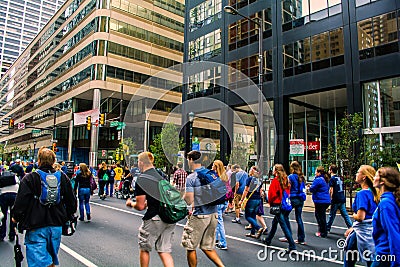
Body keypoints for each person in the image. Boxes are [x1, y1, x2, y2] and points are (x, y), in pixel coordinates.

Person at [12, 147, 77, 267]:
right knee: (51, 259)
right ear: (53, 161)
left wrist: (16, 217)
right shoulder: (62, 177)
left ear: (39, 161)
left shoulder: (30, 178)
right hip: (56, 225)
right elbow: (72, 201)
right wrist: (68, 215)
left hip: (36, 224)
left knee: (39, 262)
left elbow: (21, 202)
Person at [126, 152, 175, 267]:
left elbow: (140, 206)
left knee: (145, 248)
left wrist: (130, 204)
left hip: (154, 218)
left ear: (141, 162)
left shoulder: (142, 179)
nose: (138, 164)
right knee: (164, 250)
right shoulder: (162, 175)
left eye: (138, 162)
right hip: (169, 216)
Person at [181, 150, 224, 267]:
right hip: (214, 214)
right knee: (207, 247)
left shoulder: (191, 177)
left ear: (191, 160)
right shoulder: (211, 173)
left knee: (190, 246)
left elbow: (189, 199)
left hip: (200, 215)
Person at [344, 165, 379, 267]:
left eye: (358, 172)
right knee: (371, 257)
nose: (356, 174)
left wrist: (353, 214)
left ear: (364, 177)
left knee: (349, 259)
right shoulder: (375, 193)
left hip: (361, 232)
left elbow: (360, 217)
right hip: (372, 230)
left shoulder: (362, 194)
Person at [262, 164, 296, 252]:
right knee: (275, 223)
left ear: (276, 171)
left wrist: (268, 200)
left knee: (283, 225)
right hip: (285, 204)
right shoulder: (286, 179)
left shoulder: (275, 181)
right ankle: (268, 239)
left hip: (277, 204)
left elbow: (272, 195)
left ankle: (292, 245)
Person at [372, 167, 400, 267]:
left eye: (375, 176)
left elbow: (393, 233)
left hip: (385, 255)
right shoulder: (392, 200)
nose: (373, 178)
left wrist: (396, 263)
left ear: (383, 181)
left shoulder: (386, 204)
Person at [280, 161, 306, 244]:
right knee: (299, 218)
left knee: (285, 215)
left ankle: (288, 235)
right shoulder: (301, 177)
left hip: (293, 198)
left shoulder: (291, 177)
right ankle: (301, 238)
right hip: (300, 199)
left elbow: (288, 187)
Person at [239, 166, 265, 239]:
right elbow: (261, 191)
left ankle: (258, 227)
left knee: (248, 216)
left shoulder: (250, 179)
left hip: (251, 199)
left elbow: (246, 190)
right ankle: (252, 232)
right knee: (253, 215)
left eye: (251, 170)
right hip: (258, 199)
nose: (250, 171)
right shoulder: (260, 179)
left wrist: (241, 200)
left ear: (254, 171)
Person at [326, 164, 352, 233]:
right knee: (345, 214)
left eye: (329, 169)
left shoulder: (332, 179)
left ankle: (327, 228)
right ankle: (351, 227)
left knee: (332, 215)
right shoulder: (339, 178)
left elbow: (331, 190)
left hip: (335, 198)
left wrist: (330, 198)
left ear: (331, 170)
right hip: (341, 197)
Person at [309, 166, 331, 238]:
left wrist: (309, 187)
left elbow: (312, 189)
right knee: (321, 215)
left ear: (319, 172)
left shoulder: (318, 180)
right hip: (325, 200)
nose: (315, 173)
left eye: (316, 172)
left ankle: (323, 232)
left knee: (320, 216)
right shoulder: (325, 179)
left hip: (320, 200)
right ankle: (322, 230)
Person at [212, 160, 229, 250]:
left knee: (219, 222)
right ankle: (217, 239)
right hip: (224, 201)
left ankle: (223, 242)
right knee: (217, 222)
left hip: (218, 202)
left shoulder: (217, 178)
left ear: (216, 167)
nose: (212, 167)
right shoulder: (225, 177)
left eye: (213, 166)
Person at [0, 170, 19, 242]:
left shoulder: (2, 177)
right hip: (14, 195)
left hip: (4, 195)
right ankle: (12, 234)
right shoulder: (15, 177)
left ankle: (2, 234)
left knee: (3, 216)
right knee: (13, 216)